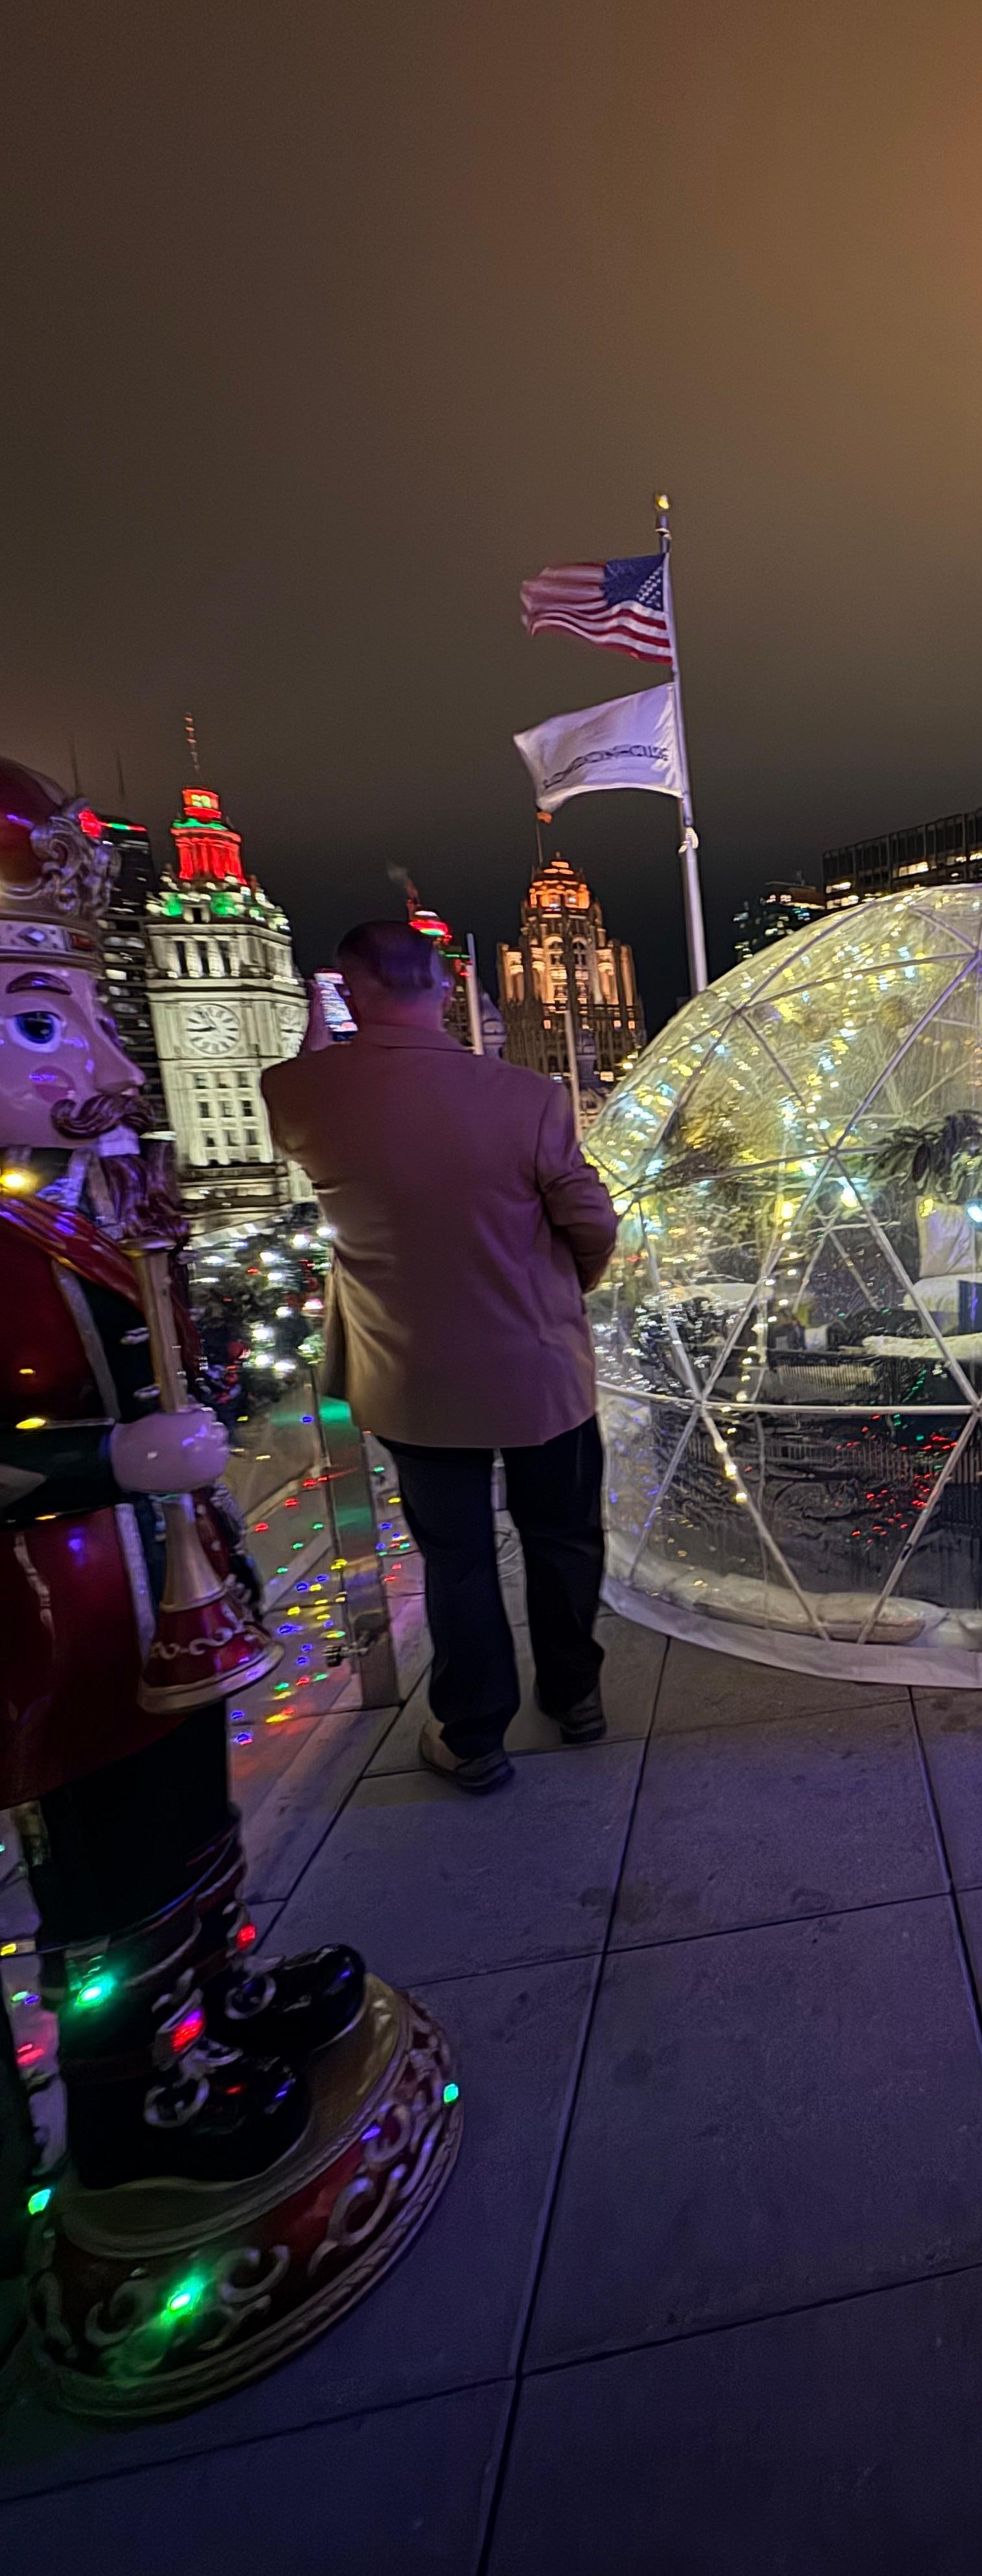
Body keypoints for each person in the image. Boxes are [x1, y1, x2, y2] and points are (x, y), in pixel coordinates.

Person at [0, 758, 362, 2214]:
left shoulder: (66, 1211)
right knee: (103, 1859)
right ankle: (132, 2098)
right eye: (43, 1023)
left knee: (189, 1812)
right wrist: (101, 1463)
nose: (111, 1065)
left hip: (158, 1593)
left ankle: (217, 1997)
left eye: (92, 1016)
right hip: (52, 1623)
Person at [263, 920, 619, 1791]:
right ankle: (575, 1697)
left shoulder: (302, 1093)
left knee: (457, 1558)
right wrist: (561, 1287)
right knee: (563, 1539)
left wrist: (319, 1021)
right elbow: (592, 1220)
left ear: (348, 993)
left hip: (408, 1376)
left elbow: (303, 1083)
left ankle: (473, 1734)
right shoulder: (529, 1097)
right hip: (538, 1367)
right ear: (448, 988)